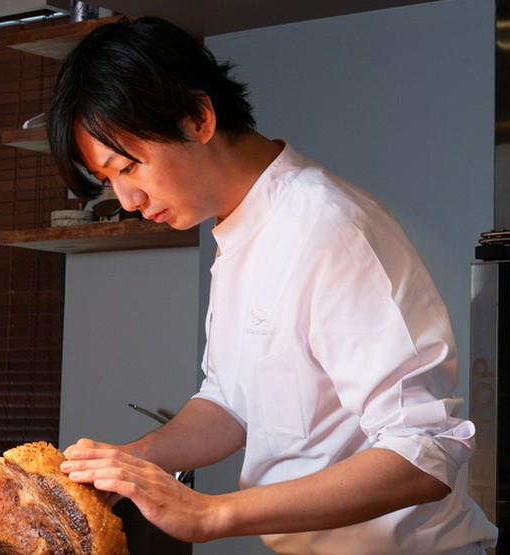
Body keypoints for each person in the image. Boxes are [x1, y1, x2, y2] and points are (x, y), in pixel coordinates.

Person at [47, 16, 498, 554]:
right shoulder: (237, 231)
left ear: (198, 118)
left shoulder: (328, 227)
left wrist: (212, 513)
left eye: (128, 167)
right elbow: (229, 402)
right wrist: (133, 460)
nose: (127, 200)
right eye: (108, 181)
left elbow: (425, 451)